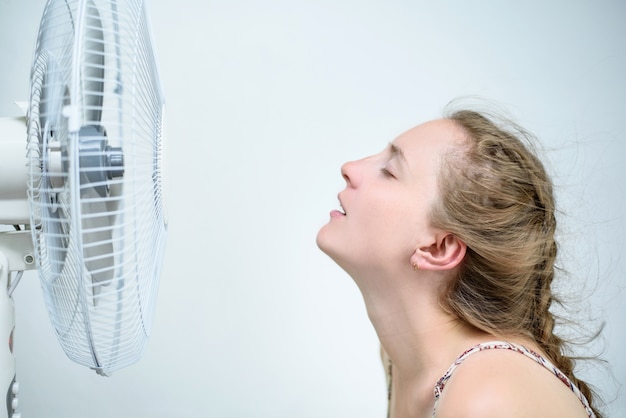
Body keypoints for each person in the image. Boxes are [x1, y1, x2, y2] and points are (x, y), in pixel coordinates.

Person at [316, 106, 603, 417]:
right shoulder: (400, 359)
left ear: (439, 248)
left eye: (390, 171)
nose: (349, 167)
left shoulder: (486, 396)